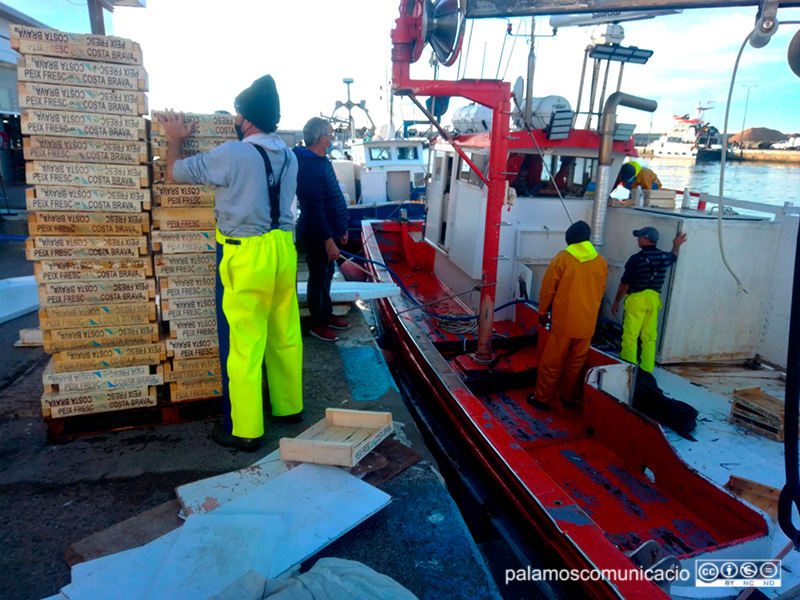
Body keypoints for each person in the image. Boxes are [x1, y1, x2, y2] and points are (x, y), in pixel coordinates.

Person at [157, 75, 303, 452]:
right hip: (283, 249)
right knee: (285, 333)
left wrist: (174, 139)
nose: (235, 120)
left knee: (244, 344)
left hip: (247, 253)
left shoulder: (233, 153)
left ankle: (245, 429)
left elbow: (174, 172)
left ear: (247, 118)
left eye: (238, 114)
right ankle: (289, 408)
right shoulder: (288, 154)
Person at [526, 220, 608, 411]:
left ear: (569, 238)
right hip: (587, 324)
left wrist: (543, 311)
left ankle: (543, 399)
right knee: (576, 363)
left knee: (552, 362)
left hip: (563, 322)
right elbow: (601, 291)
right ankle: (568, 398)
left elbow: (548, 288)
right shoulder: (601, 262)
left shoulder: (562, 258)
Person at [293, 117, 350, 342]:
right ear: (322, 138)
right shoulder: (308, 167)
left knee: (326, 276)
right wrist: (328, 240)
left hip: (330, 232)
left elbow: (333, 196)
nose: (334, 136)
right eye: (331, 133)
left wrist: (341, 229)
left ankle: (326, 314)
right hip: (317, 236)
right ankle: (317, 323)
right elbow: (313, 208)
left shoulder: (322, 161)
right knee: (317, 279)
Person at [612, 227, 688, 372]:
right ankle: (647, 369)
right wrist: (676, 245)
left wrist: (616, 302)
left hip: (636, 299)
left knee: (630, 336)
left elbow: (625, 284)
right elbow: (674, 256)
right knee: (649, 336)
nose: (637, 239)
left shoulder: (636, 259)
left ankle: (628, 369)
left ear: (646, 239)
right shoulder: (664, 258)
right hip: (653, 299)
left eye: (639, 237)